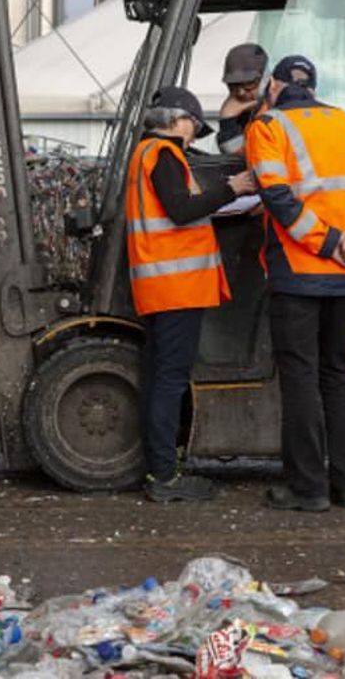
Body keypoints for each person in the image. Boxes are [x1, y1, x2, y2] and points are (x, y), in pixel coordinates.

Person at [244, 56, 345, 512]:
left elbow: (276, 197)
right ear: (313, 87)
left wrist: (329, 242)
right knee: (336, 373)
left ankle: (308, 488)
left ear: (274, 86)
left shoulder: (268, 126)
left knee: (300, 378)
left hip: (299, 272)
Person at [127, 86, 257, 502]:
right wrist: (233, 188)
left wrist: (223, 205)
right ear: (176, 120)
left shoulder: (145, 155)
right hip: (175, 287)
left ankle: (160, 469)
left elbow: (179, 213)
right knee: (170, 379)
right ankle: (164, 476)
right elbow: (181, 210)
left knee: (160, 377)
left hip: (162, 284)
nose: (192, 133)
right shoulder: (163, 155)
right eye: (192, 125)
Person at [216, 43, 269, 155]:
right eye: (233, 85)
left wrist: (228, 119)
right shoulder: (243, 111)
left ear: (265, 78)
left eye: (249, 84)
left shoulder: (276, 111)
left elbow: (242, 159)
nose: (241, 92)